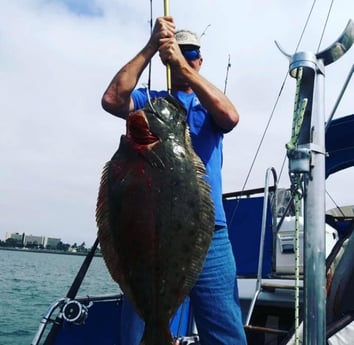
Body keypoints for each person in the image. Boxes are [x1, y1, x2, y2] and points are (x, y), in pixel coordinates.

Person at [101, 16, 247, 345]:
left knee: (226, 332)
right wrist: (152, 46)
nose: (185, 56)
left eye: (191, 52)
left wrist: (183, 66)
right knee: (138, 332)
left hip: (212, 234)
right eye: (179, 50)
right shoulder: (149, 103)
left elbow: (231, 116)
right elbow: (112, 99)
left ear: (200, 59)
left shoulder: (207, 104)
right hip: (147, 235)